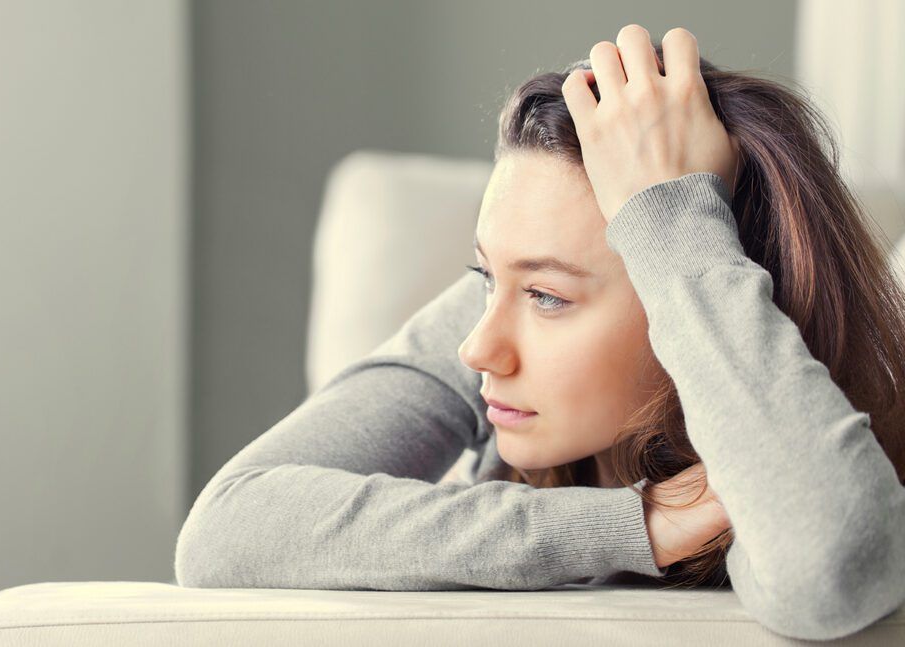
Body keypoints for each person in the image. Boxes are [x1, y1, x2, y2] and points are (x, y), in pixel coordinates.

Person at [175, 25, 905, 641]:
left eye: (548, 296)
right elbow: (227, 529)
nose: (478, 348)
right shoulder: (486, 324)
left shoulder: (771, 419)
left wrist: (675, 223)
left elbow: (833, 561)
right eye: (489, 276)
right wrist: (636, 523)